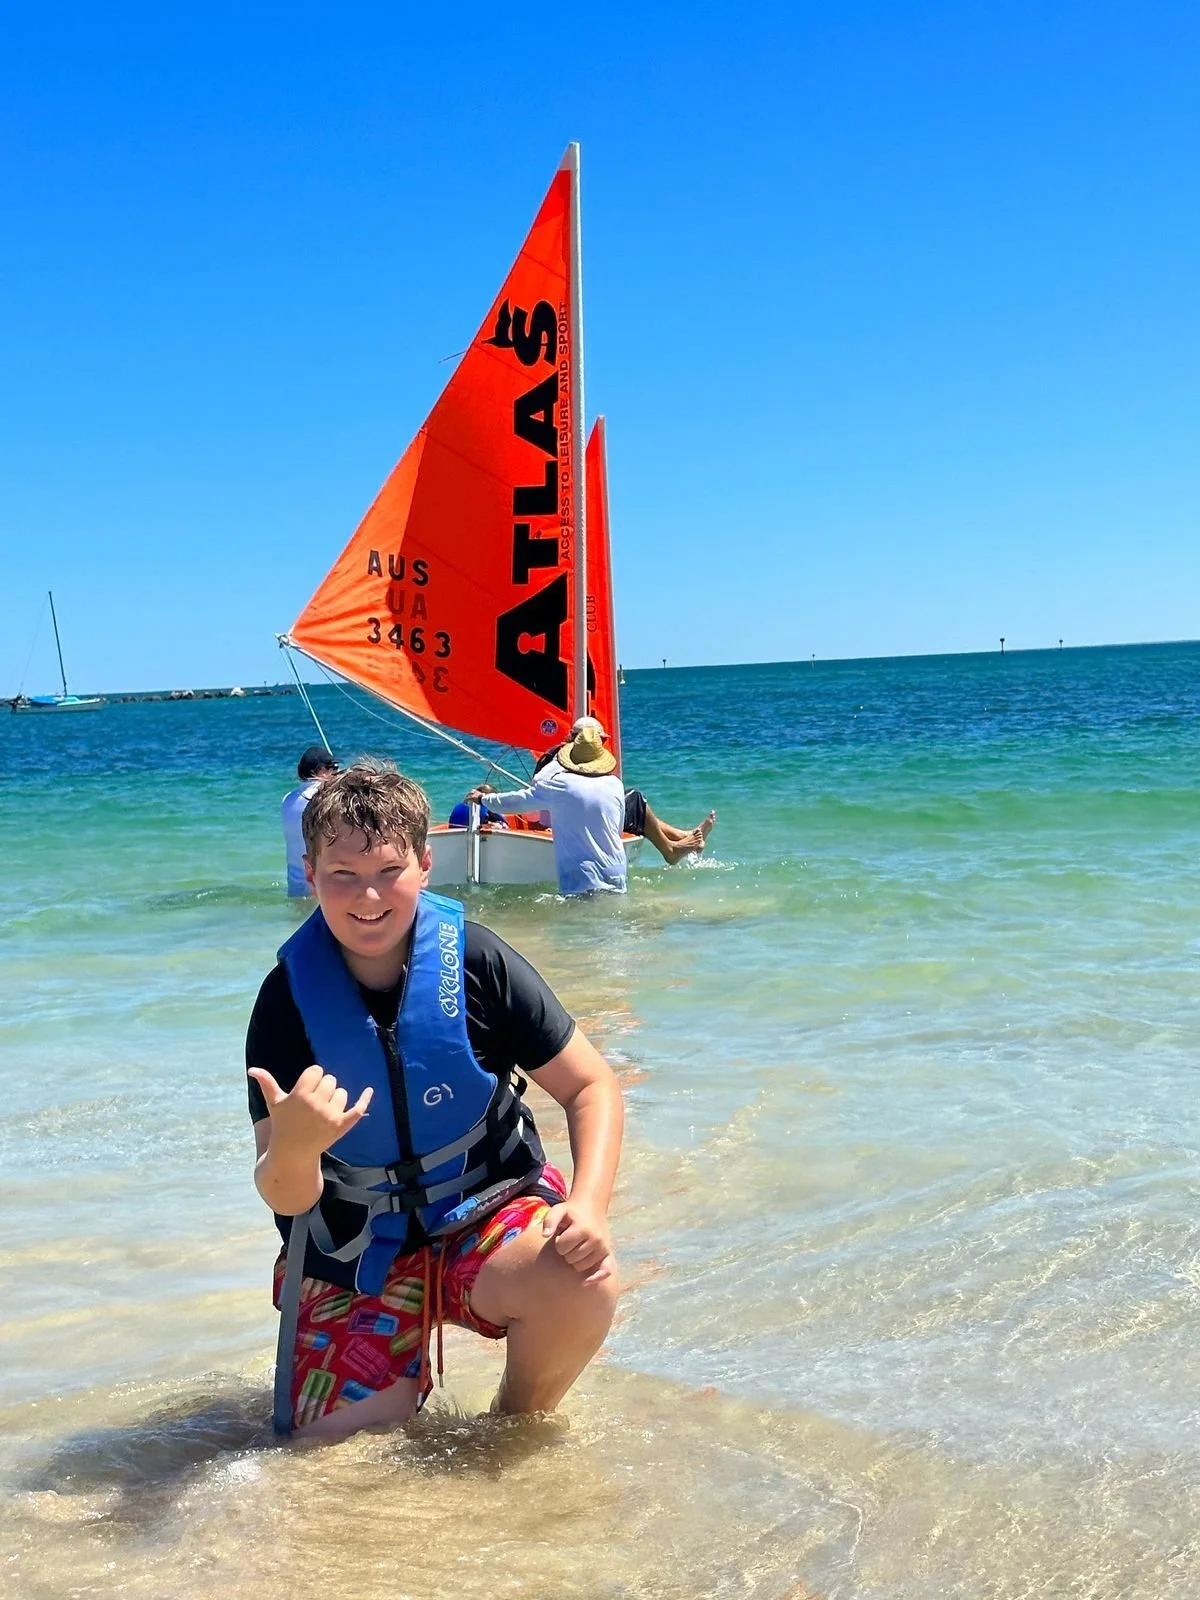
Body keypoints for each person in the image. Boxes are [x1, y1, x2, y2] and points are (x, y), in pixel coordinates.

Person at [246, 759, 623, 1439]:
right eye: (343, 877)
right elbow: (283, 1193)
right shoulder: (285, 1003)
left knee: (580, 1275)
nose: (368, 898)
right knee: (330, 1461)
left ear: (425, 864)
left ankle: (514, 1424)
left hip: (484, 1217)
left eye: (389, 872)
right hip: (353, 1251)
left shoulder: (478, 962)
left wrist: (590, 1207)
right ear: (310, 874)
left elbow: (590, 1086)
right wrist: (298, 1145)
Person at [467, 719, 627, 896]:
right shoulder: (615, 784)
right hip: (617, 871)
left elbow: (518, 802)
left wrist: (484, 799)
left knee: (581, 921)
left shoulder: (561, 784)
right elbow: (617, 831)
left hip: (583, 877)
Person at [531, 721, 718, 866]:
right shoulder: (570, 764)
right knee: (635, 799)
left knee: (629, 804)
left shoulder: (552, 757)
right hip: (571, 827)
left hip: (560, 824)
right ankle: (670, 850)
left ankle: (681, 835)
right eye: (601, 741)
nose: (603, 745)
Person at [281, 746, 337, 897]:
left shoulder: (287, 799)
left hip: (294, 888)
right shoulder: (325, 796)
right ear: (321, 770)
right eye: (334, 768)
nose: (336, 773)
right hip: (320, 890)